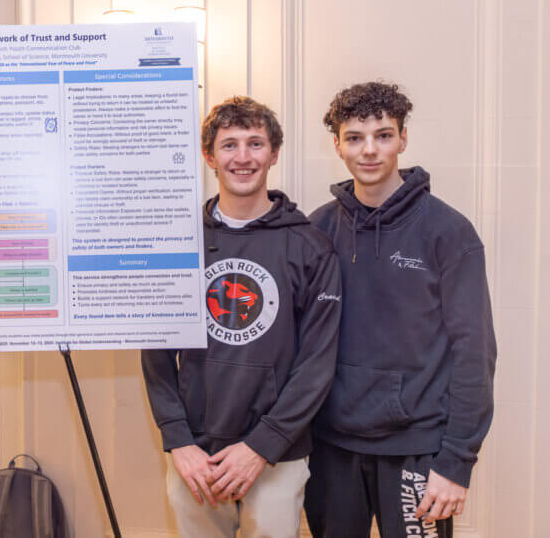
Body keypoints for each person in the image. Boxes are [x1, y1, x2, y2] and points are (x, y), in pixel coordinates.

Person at [142, 96, 341, 538]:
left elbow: (317, 364)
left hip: (276, 454)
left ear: (274, 153)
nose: (244, 157)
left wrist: (262, 446)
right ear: (209, 156)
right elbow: (156, 352)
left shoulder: (310, 247)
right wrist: (178, 439)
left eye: (256, 143)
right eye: (230, 145)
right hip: (196, 454)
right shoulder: (178, 243)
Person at [304, 81, 496, 537]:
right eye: (354, 137)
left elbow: (475, 353)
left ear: (403, 140)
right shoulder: (317, 230)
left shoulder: (449, 232)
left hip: (418, 452)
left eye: (383, 135)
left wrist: (456, 462)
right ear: (337, 145)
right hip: (332, 449)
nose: (369, 150)